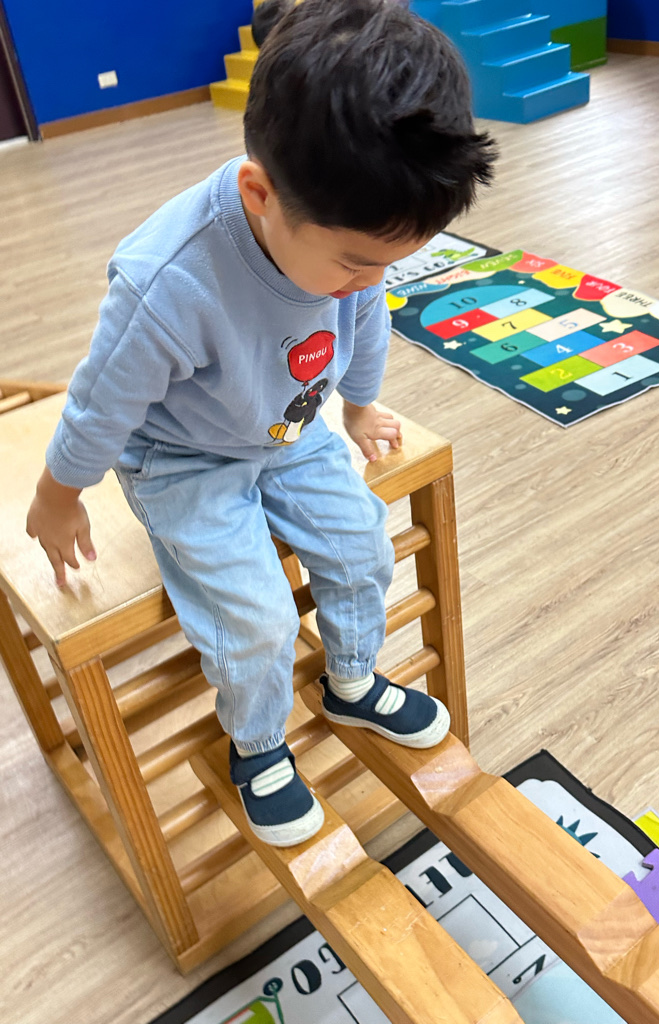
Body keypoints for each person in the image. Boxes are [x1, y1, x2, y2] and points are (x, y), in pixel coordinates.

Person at [26, 0, 496, 846]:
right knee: (258, 620)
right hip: (183, 456)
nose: (369, 281)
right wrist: (59, 495)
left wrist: (359, 404)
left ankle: (351, 683)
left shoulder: (350, 244)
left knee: (362, 543)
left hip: (288, 428)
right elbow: (101, 402)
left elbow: (366, 318)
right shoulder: (168, 281)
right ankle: (257, 748)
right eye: (355, 262)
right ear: (258, 193)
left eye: (390, 261)